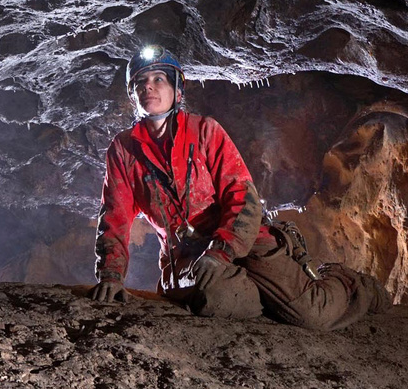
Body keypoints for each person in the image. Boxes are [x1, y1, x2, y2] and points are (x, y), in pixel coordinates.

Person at [89, 45, 386, 330]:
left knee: (313, 313)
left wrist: (220, 252)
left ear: (177, 91)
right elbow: (115, 217)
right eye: (141, 82)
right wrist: (111, 275)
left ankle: (349, 283)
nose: (149, 87)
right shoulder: (124, 150)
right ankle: (272, 298)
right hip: (188, 256)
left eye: (158, 79)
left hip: (242, 239)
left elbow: (242, 198)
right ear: (133, 95)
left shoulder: (204, 131)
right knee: (215, 300)